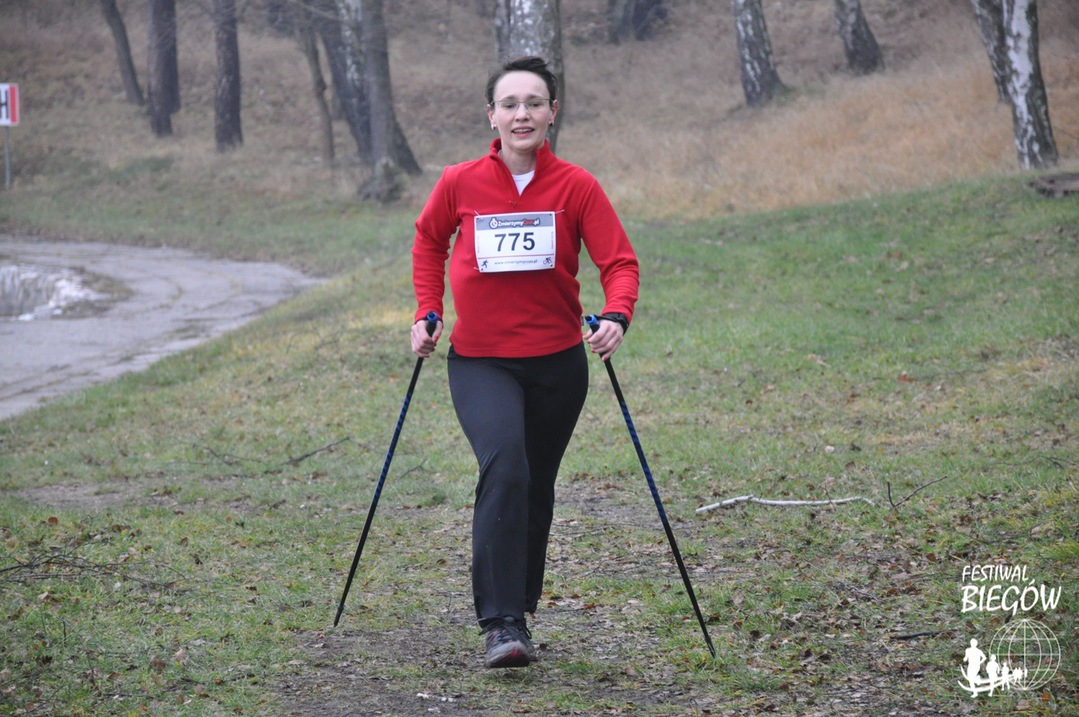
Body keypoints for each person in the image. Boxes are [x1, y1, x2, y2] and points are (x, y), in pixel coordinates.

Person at [410, 56, 640, 668]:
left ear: (551, 113)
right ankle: (501, 623)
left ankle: (520, 609)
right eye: (509, 104)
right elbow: (430, 241)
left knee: (536, 483)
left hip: (558, 365)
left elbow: (619, 262)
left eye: (534, 103)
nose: (522, 114)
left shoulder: (577, 186)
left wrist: (617, 315)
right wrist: (428, 310)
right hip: (482, 361)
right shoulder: (458, 182)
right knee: (506, 467)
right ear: (491, 115)